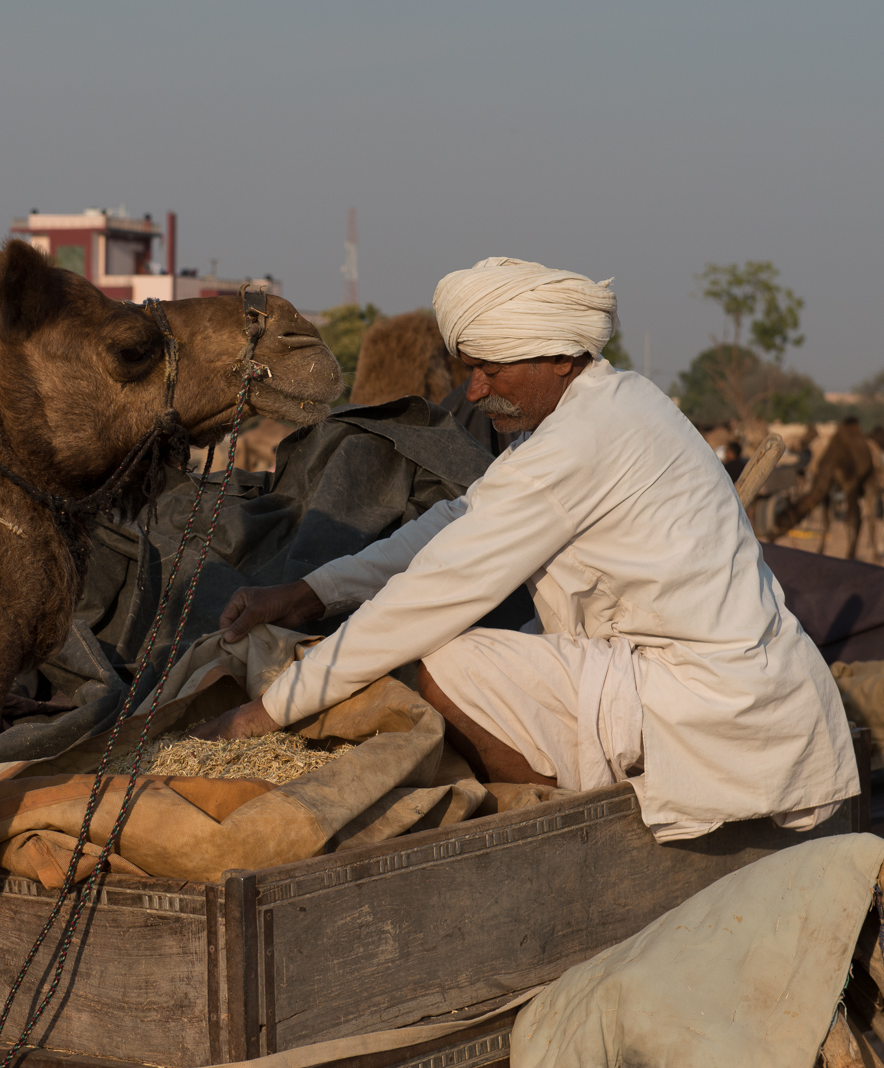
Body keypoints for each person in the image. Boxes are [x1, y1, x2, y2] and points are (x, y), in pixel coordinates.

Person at [194, 257, 856, 841]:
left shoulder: (582, 439)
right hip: (674, 674)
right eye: (470, 371)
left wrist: (267, 713)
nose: (476, 393)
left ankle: (558, 829)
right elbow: (459, 520)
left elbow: (438, 591)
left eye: (488, 370)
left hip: (707, 700)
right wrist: (312, 592)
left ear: (562, 357)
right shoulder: (597, 407)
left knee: (446, 663)